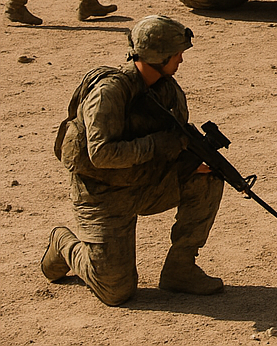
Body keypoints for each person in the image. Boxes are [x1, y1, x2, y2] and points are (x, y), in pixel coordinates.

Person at [41, 16, 224, 306]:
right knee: (116, 291)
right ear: (158, 56)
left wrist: (190, 163)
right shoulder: (109, 93)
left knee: (208, 176)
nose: (181, 60)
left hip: (145, 182)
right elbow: (100, 154)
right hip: (103, 194)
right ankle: (64, 245)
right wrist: (157, 145)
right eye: (177, 54)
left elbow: (176, 139)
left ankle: (180, 269)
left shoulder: (168, 89)